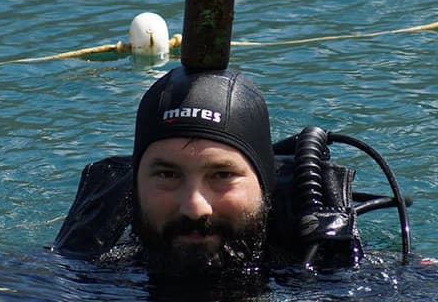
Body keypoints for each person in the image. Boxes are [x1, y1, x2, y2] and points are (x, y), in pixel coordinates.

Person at [51, 65, 386, 279]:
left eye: (222, 175)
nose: (195, 207)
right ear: (134, 186)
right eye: (167, 175)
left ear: (265, 184)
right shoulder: (80, 280)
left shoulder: (355, 280)